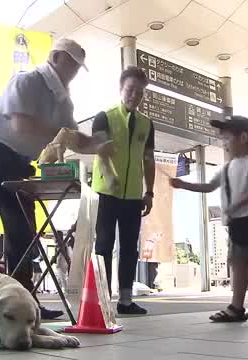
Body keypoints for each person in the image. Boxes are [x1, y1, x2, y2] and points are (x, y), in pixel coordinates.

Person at [0, 39, 103, 320]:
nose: (74, 70)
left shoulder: (63, 99)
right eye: (71, 63)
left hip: (20, 163)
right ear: (56, 57)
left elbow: (74, 139)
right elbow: (21, 125)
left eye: (77, 66)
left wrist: (99, 144)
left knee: (24, 233)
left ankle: (24, 302)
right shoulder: (26, 82)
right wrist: (64, 133)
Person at [170, 116, 248, 322]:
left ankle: (236, 308)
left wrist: (239, 204)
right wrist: (184, 185)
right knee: (247, 266)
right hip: (238, 223)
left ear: (243, 138)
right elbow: (209, 186)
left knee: (238, 263)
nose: (224, 143)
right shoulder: (227, 168)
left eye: (227, 138)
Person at [91, 66, 155, 315]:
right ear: (121, 89)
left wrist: (149, 192)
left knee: (130, 247)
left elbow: (148, 159)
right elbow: (100, 152)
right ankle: (102, 300)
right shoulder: (104, 117)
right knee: (104, 246)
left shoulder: (147, 124)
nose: (135, 96)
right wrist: (111, 179)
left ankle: (126, 300)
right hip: (106, 192)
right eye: (130, 90)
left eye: (140, 92)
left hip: (132, 196)